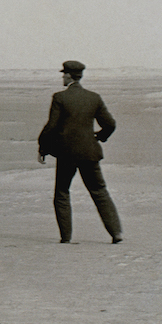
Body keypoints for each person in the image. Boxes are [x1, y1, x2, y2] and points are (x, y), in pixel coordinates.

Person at [37, 60, 122, 244]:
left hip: (67, 153)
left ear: (68, 75)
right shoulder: (94, 97)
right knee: (99, 191)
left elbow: (51, 127)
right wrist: (100, 137)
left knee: (62, 192)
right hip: (90, 152)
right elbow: (110, 124)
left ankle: (66, 238)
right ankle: (116, 234)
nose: (62, 77)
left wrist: (43, 147)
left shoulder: (60, 97)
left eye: (63, 74)